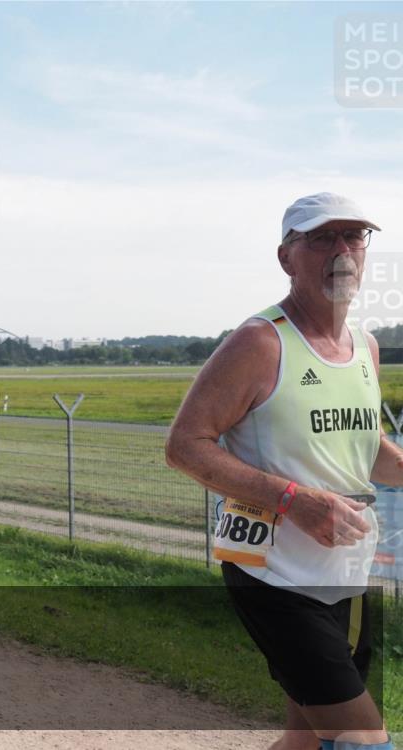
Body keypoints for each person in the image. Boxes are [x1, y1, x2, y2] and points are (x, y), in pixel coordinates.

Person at [166, 193, 403, 750]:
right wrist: (295, 500)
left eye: (354, 237)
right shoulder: (260, 341)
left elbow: (367, 450)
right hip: (273, 574)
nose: (342, 250)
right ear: (285, 257)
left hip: (346, 573)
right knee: (362, 739)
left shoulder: (365, 347)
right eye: (322, 238)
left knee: (305, 737)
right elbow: (185, 445)